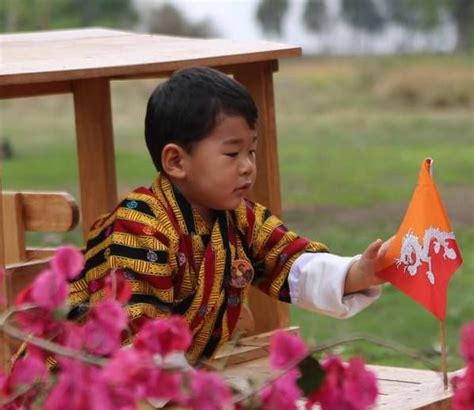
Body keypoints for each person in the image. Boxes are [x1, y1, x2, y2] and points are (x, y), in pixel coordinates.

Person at [69, 67, 388, 364]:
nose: (248, 165)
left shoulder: (241, 218)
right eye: (232, 153)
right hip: (80, 386)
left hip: (165, 385)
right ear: (176, 162)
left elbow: (290, 263)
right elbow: (135, 331)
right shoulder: (140, 225)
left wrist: (359, 273)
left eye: (251, 151)